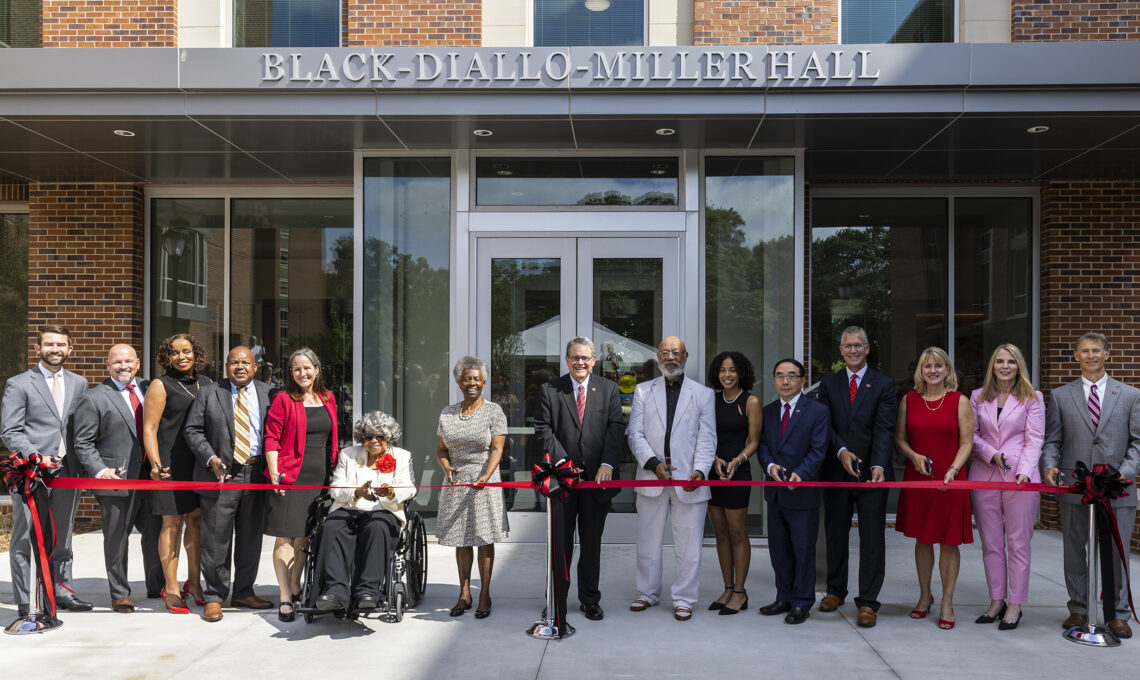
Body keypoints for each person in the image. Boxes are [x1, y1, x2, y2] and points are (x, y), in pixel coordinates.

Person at [1042, 332, 1140, 639]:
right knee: (1074, 550)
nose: (1090, 355)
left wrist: (1123, 472)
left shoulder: (1130, 395)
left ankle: (1118, 614)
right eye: (1084, 351)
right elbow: (1052, 440)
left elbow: (1138, 442)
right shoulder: (1060, 395)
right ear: (1076, 356)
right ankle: (1079, 608)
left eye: (1096, 350)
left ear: (1107, 354)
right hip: (1076, 485)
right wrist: (1048, 465)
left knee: (1116, 551)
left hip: (1117, 487)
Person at [534, 336, 625, 631]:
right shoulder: (550, 390)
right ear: (566, 360)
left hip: (597, 481)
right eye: (575, 357)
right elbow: (543, 429)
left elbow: (615, 429)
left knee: (591, 543)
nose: (580, 363)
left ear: (594, 360)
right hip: (562, 481)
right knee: (560, 544)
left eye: (585, 358)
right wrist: (564, 464)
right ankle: (557, 596)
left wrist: (608, 464)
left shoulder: (609, 390)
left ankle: (589, 598)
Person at [1, 325, 93, 616]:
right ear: (38, 348)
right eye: (50, 344)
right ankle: (26, 600)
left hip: (68, 472)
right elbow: (10, 430)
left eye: (61, 344)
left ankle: (62, 591)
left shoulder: (80, 383)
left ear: (70, 349)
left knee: (63, 536)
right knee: (24, 537)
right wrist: (36, 457)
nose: (56, 349)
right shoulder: (20, 383)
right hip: (32, 474)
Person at [183, 345, 275, 622]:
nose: (239, 366)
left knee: (250, 537)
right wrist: (209, 456)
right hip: (222, 475)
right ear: (226, 367)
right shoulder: (210, 392)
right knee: (216, 539)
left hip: (257, 473)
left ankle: (244, 591)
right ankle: (214, 596)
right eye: (233, 362)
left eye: (245, 362)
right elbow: (193, 429)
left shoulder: (269, 393)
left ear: (255, 367)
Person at [627, 336, 716, 622]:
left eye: (675, 353)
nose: (670, 357)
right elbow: (635, 434)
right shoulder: (642, 391)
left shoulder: (703, 394)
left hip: (690, 478)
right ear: (658, 357)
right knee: (647, 541)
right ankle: (646, 593)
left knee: (689, 546)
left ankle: (685, 598)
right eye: (665, 352)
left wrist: (701, 471)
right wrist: (653, 464)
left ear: (685, 356)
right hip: (651, 477)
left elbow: (707, 438)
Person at [72, 344, 163, 613]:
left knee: (155, 534)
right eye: (117, 362)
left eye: (128, 361)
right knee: (116, 538)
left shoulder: (151, 389)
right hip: (116, 478)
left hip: (151, 476)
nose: (123, 366)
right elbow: (83, 442)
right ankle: (120, 593)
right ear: (107, 365)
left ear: (138, 363)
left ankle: (156, 586)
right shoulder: (95, 397)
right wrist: (100, 471)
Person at [816, 326, 897, 627]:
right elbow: (826, 426)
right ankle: (835, 590)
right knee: (836, 532)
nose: (852, 350)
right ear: (840, 350)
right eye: (847, 346)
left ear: (867, 349)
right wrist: (842, 451)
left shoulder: (884, 385)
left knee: (872, 538)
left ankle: (868, 601)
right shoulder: (828, 383)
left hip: (872, 475)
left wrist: (877, 464)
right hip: (837, 470)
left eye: (858, 346)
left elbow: (884, 429)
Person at [894, 346, 974, 630]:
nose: (933, 371)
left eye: (938, 366)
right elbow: (900, 439)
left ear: (947, 370)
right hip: (918, 476)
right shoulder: (909, 400)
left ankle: (947, 601)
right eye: (927, 366)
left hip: (950, 478)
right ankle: (924, 594)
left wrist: (953, 468)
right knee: (923, 539)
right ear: (921, 371)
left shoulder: (959, 400)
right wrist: (913, 455)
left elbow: (967, 442)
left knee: (949, 542)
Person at [969, 343, 1044, 631]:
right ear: (992, 366)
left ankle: (1015, 604)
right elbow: (972, 436)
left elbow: (1035, 439)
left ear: (1018, 365)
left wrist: (1024, 471)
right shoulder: (977, 396)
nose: (1004, 366)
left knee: (1018, 543)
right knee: (990, 543)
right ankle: (996, 600)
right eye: (999, 361)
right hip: (983, 475)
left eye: (1010, 361)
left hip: (1020, 479)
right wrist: (990, 454)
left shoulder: (1033, 398)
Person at [264, 347, 339, 622]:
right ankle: (285, 597)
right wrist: (274, 472)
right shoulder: (284, 399)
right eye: (297, 369)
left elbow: (332, 439)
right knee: (285, 536)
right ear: (291, 373)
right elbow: (271, 437)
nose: (302, 373)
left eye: (307, 368)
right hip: (288, 476)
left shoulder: (328, 398)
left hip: (319, 478)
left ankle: (296, 586)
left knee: (304, 535)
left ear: (317, 369)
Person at [314, 411, 416, 612]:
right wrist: (356, 492)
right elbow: (335, 489)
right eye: (369, 436)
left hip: (383, 510)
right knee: (331, 527)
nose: (374, 441)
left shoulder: (402, 456)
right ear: (362, 438)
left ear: (389, 437)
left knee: (377, 527)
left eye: (380, 436)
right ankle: (335, 591)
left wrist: (390, 492)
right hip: (350, 507)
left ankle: (367, 591)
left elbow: (410, 488)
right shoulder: (348, 454)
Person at [141, 333, 211, 614]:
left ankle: (194, 583)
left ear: (196, 353)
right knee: (172, 524)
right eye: (174, 352)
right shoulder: (160, 385)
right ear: (166, 357)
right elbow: (150, 429)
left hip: (198, 465)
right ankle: (170, 587)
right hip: (169, 465)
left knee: (197, 523)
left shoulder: (206, 383)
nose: (181, 357)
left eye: (186, 351)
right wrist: (155, 466)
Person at [756, 358, 829, 625]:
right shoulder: (767, 411)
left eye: (791, 376)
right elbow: (762, 446)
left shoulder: (817, 412)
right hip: (775, 492)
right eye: (779, 376)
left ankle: (802, 601)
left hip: (802, 492)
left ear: (802, 380)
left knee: (802, 551)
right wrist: (771, 466)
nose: (785, 381)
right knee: (779, 550)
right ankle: (783, 597)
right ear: (774, 380)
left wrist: (802, 473)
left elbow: (818, 450)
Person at [435, 356, 508, 619]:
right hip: (456, 480)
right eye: (467, 378)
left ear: (484, 381)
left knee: (483, 538)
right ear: (459, 381)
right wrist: (446, 466)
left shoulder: (494, 411)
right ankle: (464, 593)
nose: (472, 383)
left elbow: (498, 448)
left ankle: (485, 593)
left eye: (476, 378)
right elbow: (441, 449)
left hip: (484, 479)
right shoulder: (447, 412)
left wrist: (486, 475)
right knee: (460, 539)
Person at [703, 351, 761, 616]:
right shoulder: (710, 400)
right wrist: (713, 459)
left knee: (738, 533)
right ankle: (727, 588)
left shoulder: (750, 401)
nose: (727, 375)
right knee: (720, 532)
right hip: (714, 471)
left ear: (741, 373)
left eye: (733, 370)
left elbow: (754, 441)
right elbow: (703, 435)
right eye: (723, 370)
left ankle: (740, 592)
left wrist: (737, 461)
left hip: (738, 471)